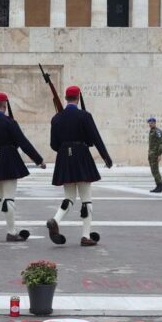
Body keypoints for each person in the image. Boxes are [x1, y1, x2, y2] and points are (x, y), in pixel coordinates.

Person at [46, 85, 112, 247]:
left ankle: (56, 219)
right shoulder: (84, 116)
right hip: (81, 155)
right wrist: (106, 157)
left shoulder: (56, 118)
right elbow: (95, 138)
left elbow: (54, 145)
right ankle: (85, 235)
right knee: (86, 200)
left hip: (64, 157)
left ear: (66, 98)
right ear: (78, 98)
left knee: (69, 197)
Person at [0, 92, 45, 242]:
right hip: (8, 158)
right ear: (5, 105)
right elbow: (23, 142)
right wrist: (38, 160)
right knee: (9, 198)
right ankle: (12, 232)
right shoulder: (9, 122)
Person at [147, 117, 162, 193]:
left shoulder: (157, 131)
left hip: (155, 154)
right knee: (153, 170)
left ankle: (160, 186)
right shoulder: (151, 131)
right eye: (149, 123)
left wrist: (159, 154)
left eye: (151, 123)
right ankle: (158, 185)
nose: (150, 124)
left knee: (155, 170)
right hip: (151, 154)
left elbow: (161, 144)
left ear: (154, 123)